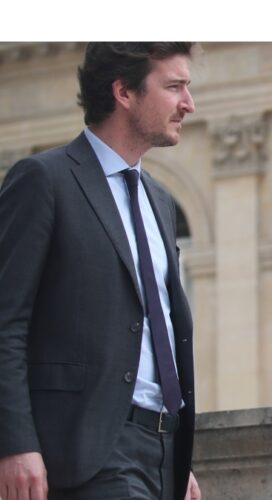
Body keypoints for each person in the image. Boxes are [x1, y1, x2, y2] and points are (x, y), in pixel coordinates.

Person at [0, 43, 201, 500]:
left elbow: (157, 327)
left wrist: (174, 455)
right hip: (87, 450)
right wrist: (14, 443)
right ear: (124, 92)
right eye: (174, 87)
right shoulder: (43, 180)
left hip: (163, 453)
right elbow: (5, 321)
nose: (188, 103)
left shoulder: (161, 201)